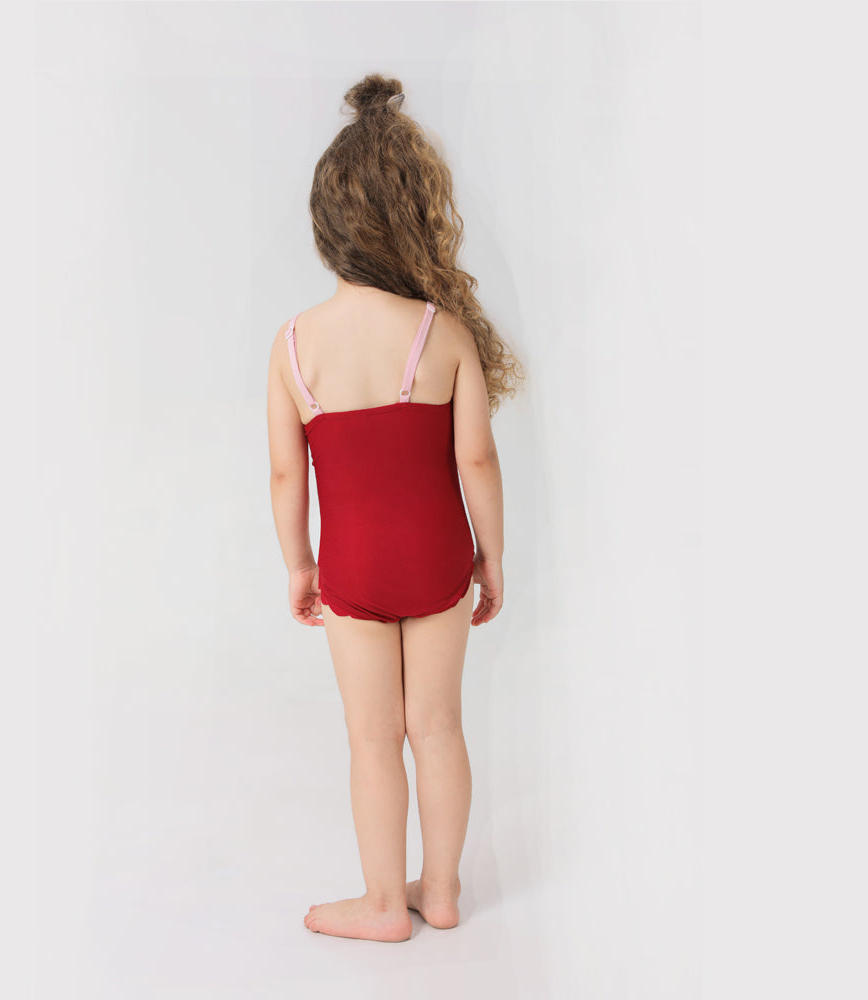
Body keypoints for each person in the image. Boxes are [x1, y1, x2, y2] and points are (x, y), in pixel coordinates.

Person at [266, 73, 524, 942]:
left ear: (327, 224)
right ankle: (441, 892)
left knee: (373, 738)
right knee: (439, 726)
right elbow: (477, 458)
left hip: (353, 569)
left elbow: (285, 475)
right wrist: (491, 555)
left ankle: (383, 903)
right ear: (416, 215)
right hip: (437, 558)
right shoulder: (440, 333)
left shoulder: (293, 345)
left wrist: (300, 565)